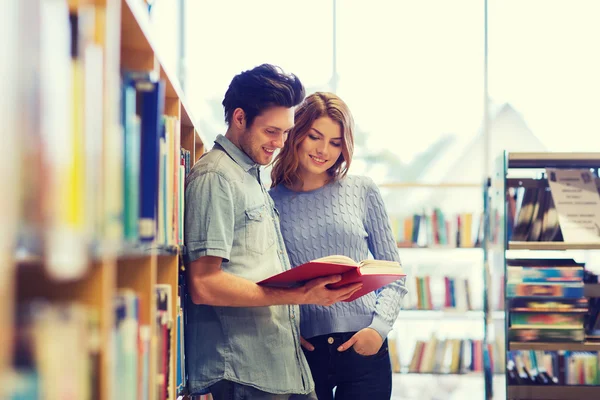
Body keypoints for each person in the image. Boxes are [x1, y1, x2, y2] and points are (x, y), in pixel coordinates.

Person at [184, 65, 363, 400]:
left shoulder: (251, 176)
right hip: (242, 374)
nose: (280, 143)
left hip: (278, 366)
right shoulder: (216, 177)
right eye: (271, 131)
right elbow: (204, 285)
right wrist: (301, 295)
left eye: (285, 132)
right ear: (239, 118)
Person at [269, 92, 408, 400]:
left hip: (364, 348)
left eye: (335, 142)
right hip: (301, 352)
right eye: (315, 137)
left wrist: (378, 330)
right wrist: (286, 332)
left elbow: (394, 273)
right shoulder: (269, 202)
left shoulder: (362, 190)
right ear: (295, 135)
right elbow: (266, 280)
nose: (323, 150)